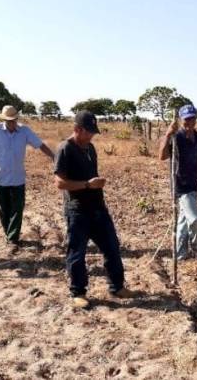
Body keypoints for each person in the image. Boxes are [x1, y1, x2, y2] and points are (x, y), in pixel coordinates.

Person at [54, 111, 132, 309]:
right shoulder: (65, 149)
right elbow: (60, 183)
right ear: (77, 129)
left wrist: (96, 184)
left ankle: (117, 286)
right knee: (77, 253)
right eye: (88, 132)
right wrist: (88, 185)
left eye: (93, 132)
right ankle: (78, 292)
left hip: (98, 208)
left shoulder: (90, 148)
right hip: (78, 210)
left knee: (112, 247)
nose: (91, 136)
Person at [0, 105, 54, 246]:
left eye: (14, 120)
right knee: (4, 211)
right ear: (3, 119)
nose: (11, 123)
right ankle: (9, 234)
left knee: (17, 208)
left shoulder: (24, 131)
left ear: (17, 119)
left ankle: (12, 238)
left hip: (18, 178)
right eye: (8, 120)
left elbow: (40, 144)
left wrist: (54, 157)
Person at [158, 104, 197, 260]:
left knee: (184, 221)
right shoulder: (175, 137)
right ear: (181, 119)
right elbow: (162, 156)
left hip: (194, 183)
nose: (189, 122)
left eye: (192, 118)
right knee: (195, 218)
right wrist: (167, 135)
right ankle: (196, 248)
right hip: (181, 185)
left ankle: (180, 254)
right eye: (186, 119)